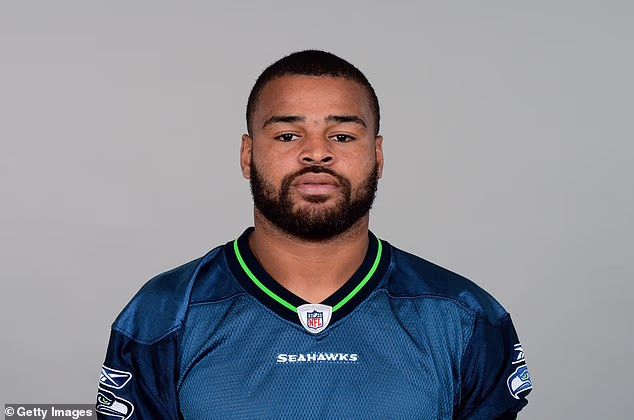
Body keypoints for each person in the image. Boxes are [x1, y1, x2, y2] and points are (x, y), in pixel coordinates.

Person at [95, 50, 532, 419]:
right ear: (247, 155)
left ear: (377, 156)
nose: (317, 152)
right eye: (288, 135)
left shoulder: (462, 316)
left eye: (342, 135)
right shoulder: (164, 314)